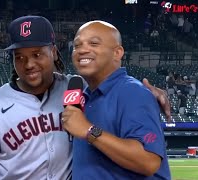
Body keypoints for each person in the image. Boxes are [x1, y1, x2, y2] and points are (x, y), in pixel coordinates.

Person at [0, 16, 171, 180]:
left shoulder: (78, 88)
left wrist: (145, 93)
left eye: (37, 54)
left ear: (54, 52)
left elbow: (114, 82)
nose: (29, 64)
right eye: (19, 57)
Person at [61, 21, 171, 179]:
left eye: (94, 43)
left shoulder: (133, 92)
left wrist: (89, 130)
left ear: (117, 52)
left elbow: (148, 161)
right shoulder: (82, 96)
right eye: (77, 45)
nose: (82, 50)